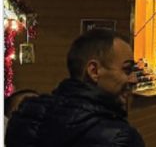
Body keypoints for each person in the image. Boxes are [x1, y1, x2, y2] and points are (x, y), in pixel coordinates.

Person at [6, 29, 144, 147]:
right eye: (127, 70)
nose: (134, 79)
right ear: (94, 71)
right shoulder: (121, 138)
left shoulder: (26, 118)